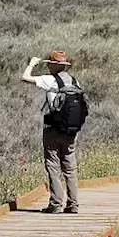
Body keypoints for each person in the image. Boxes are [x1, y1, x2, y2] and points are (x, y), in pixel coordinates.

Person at [21, 50, 85, 214]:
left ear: (53, 65)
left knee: (53, 166)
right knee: (70, 168)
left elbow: (25, 77)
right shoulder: (75, 81)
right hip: (71, 132)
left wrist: (31, 64)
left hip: (53, 130)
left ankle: (56, 204)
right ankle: (73, 205)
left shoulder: (50, 80)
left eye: (49, 64)